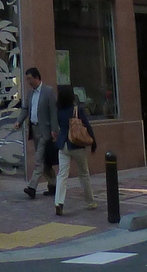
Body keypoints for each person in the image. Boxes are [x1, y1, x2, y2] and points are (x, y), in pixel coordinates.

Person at [53, 84, 96, 216]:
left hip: (63, 145)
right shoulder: (77, 109)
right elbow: (87, 126)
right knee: (83, 174)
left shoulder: (58, 110)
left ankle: (59, 202)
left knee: (62, 175)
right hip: (76, 145)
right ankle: (90, 202)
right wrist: (93, 142)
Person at [23, 65, 58, 198]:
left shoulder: (48, 91)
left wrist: (54, 130)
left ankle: (32, 187)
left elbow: (53, 112)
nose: (28, 82)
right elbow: (25, 109)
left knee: (39, 159)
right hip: (34, 130)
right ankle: (53, 184)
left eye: (30, 79)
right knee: (45, 161)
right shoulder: (30, 93)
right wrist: (18, 121)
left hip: (46, 131)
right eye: (27, 79)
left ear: (37, 78)